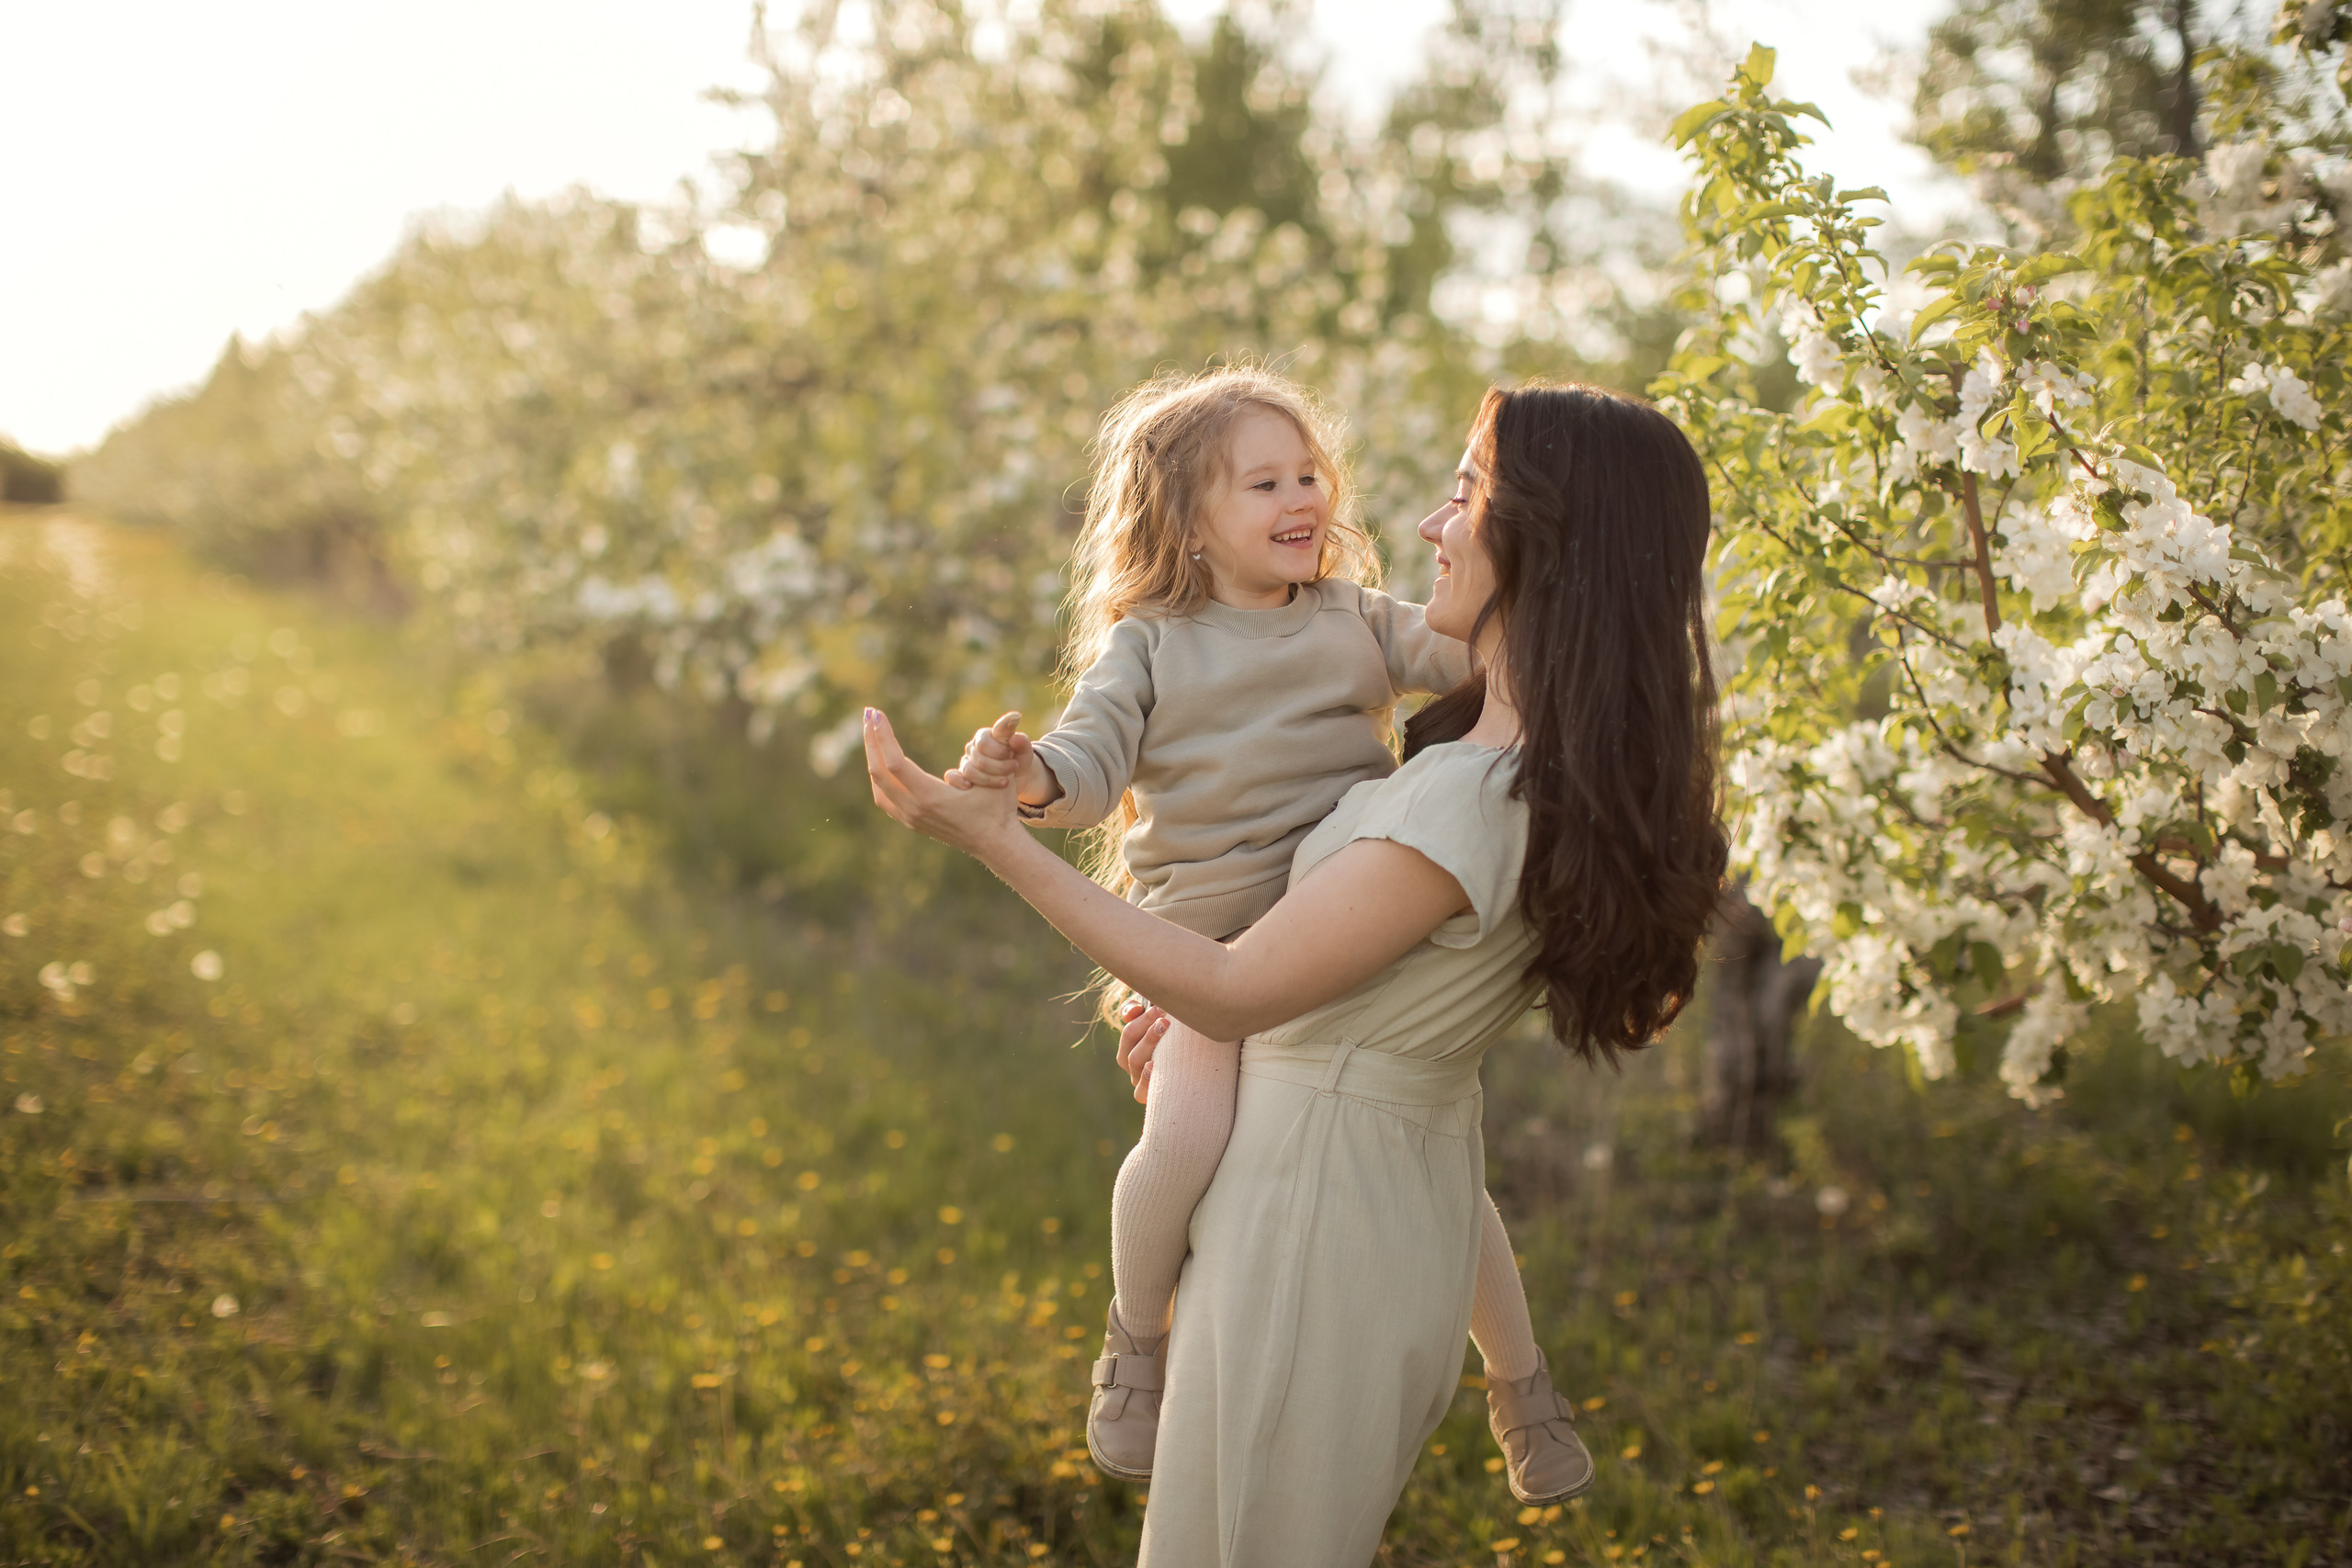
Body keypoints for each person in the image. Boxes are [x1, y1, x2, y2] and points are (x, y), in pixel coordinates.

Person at [865, 379, 1726, 1566]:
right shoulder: (1490, 766)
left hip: (1310, 1241)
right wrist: (1030, 794)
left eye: (1467, 490)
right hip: (1351, 1189)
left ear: (1550, 539)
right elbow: (1131, 808)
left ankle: (1469, 1377)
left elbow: (1239, 985)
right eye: (1260, 483)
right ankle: (1189, 1337)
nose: (1426, 520)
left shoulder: (1456, 791)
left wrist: (996, 845)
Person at [940, 364, 1571, 1499]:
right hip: (1207, 955)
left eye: (1309, 474)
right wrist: (1025, 776)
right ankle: (1137, 1344)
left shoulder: (1353, 619)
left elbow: (1482, 655)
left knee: (1444, 1173)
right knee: (1181, 1146)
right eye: (1262, 484)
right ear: (1185, 524)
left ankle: (1521, 1389)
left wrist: (1578, 583)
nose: (1302, 499)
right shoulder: (1151, 647)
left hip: (1337, 927)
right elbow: (1086, 769)